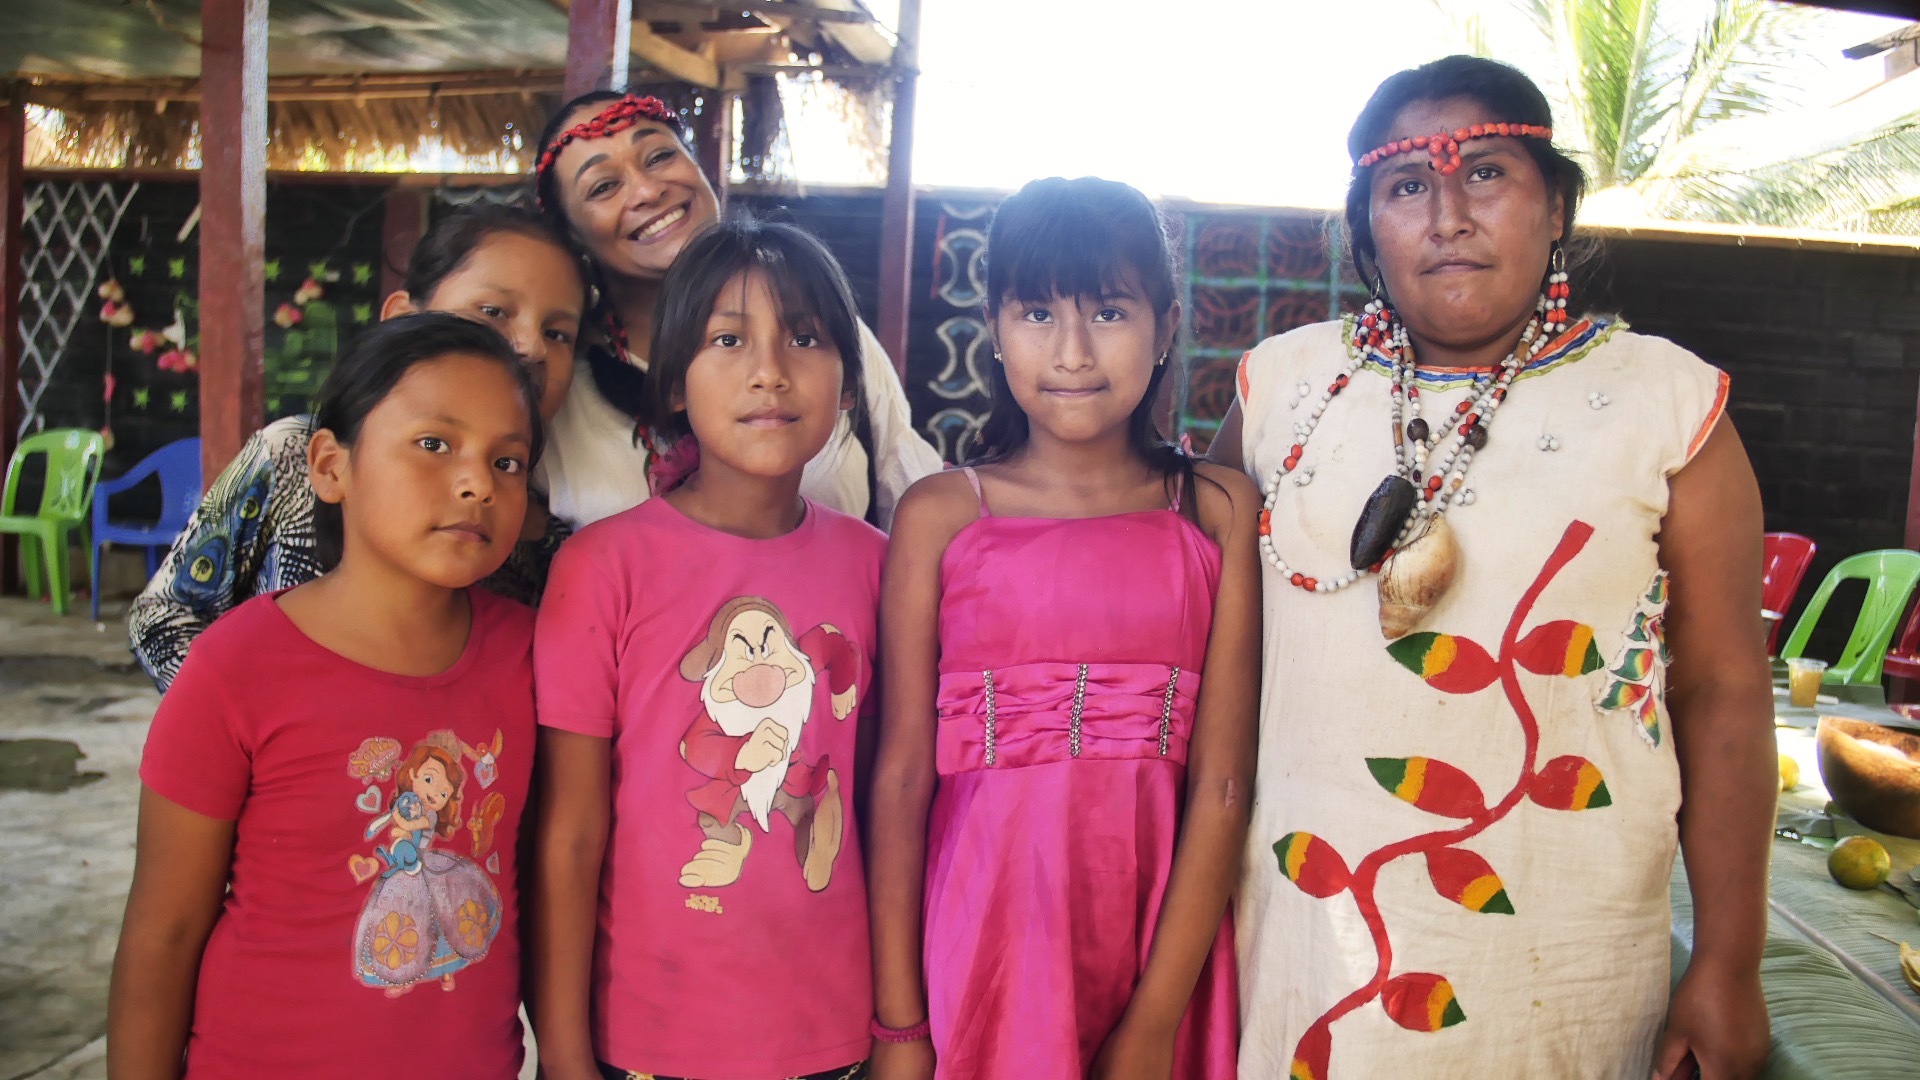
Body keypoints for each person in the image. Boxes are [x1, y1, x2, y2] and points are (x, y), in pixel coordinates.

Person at [1213, 55, 1773, 1080]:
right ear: (1364, 229)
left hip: (1564, 939)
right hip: (1305, 933)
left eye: (1486, 175)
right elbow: (1193, 636)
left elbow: (1729, 692)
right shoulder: (1280, 389)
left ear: (1555, 205)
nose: (1447, 217)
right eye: (1407, 187)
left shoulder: (1669, 407)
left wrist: (1729, 963)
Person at [866, 177, 1258, 1080]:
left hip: (1166, 938)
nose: (1073, 350)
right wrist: (898, 1023)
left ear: (1165, 326)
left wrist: (1157, 1022)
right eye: (1037, 312)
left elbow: (1224, 786)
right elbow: (898, 780)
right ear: (995, 329)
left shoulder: (1216, 510)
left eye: (1111, 312)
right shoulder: (940, 515)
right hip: (985, 935)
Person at [107, 314, 547, 1078]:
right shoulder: (236, 666)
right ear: (329, 466)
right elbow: (163, 934)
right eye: (435, 445)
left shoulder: (534, 657)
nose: (478, 481)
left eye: (508, 462)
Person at [529, 217, 886, 1080]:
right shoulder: (601, 567)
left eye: (805, 337)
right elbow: (570, 834)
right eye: (728, 339)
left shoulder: (881, 566)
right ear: (677, 385)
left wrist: (896, 1030)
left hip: (829, 1030)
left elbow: (887, 801)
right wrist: (566, 1054)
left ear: (846, 384)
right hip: (647, 1037)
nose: (770, 370)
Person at [128, 205, 585, 690]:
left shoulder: (547, 539)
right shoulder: (290, 458)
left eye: (558, 333)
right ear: (401, 318)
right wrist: (251, 730)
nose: (531, 348)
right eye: (493, 312)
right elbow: (165, 614)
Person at [530, 89, 942, 529]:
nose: (648, 190)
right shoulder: (559, 391)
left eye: (658, 157)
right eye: (604, 186)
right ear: (573, 238)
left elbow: (913, 499)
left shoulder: (821, 331)